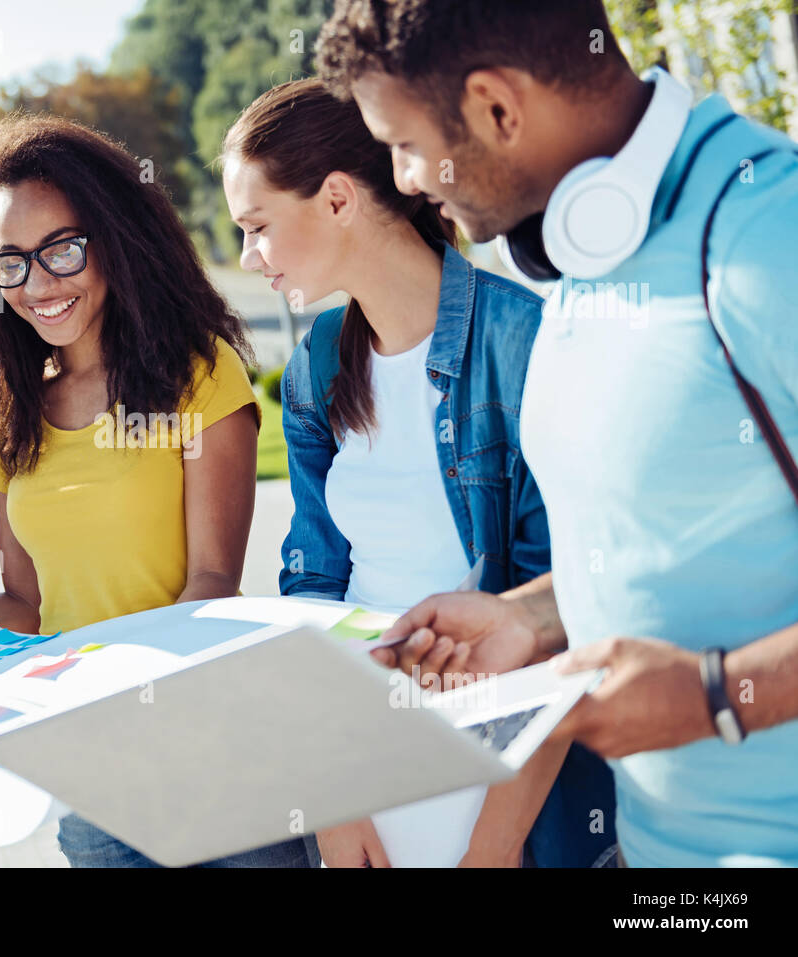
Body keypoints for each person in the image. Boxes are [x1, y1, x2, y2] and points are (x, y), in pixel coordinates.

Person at [318, 0, 798, 866]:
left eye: (406, 144)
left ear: (499, 108)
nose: (408, 178)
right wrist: (532, 619)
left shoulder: (770, 237)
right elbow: (680, 537)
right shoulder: (582, 247)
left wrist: (714, 694)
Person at [0, 114, 318, 868]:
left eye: (62, 249)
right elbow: (25, 605)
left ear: (113, 237)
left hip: (217, 755)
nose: (38, 284)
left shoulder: (198, 373)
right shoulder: (10, 419)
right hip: (93, 778)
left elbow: (210, 585)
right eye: (10, 262)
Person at [222, 77, 615, 867]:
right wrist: (335, 798)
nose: (246, 256)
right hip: (366, 778)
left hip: (509, 799)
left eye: (256, 225)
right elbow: (314, 594)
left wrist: (496, 846)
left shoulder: (526, 343)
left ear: (337, 199)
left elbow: (567, 617)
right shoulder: (315, 364)